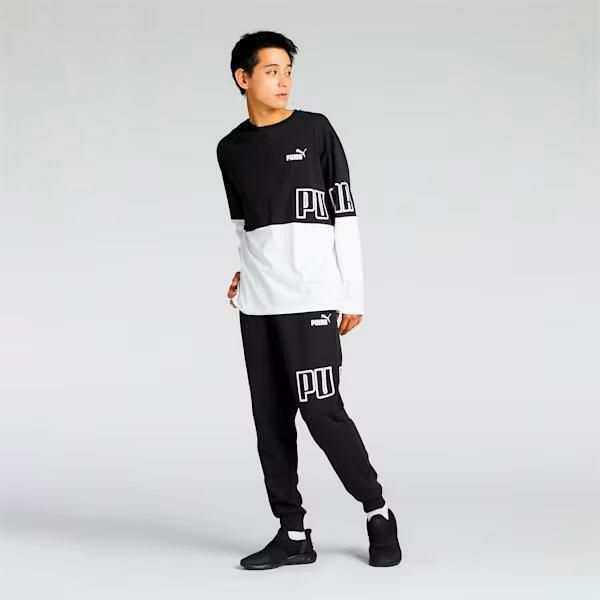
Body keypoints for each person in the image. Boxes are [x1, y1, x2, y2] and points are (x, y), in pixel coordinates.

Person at [216, 30, 402, 569]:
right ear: (243, 78)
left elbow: (345, 215)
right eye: (271, 71)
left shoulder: (315, 130)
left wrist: (352, 293)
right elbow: (245, 226)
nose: (284, 81)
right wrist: (245, 271)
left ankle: (378, 511)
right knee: (270, 419)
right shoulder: (230, 149)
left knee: (322, 411)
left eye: (288, 71)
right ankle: (293, 533)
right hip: (258, 304)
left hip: (312, 299)